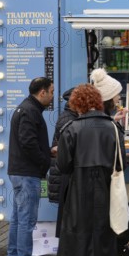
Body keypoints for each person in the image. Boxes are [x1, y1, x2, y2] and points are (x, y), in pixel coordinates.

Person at [56, 83, 126, 256]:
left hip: (77, 193)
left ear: (77, 104)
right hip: (106, 192)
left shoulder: (71, 129)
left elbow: (63, 166)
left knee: (77, 238)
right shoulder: (114, 128)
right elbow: (121, 164)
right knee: (103, 236)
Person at [7, 77, 54, 256]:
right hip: (27, 174)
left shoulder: (26, 108)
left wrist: (46, 151)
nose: (52, 96)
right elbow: (28, 142)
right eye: (51, 92)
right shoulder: (30, 111)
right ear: (42, 92)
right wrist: (44, 161)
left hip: (20, 172)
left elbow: (28, 141)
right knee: (26, 221)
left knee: (18, 220)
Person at [48, 87, 78, 237]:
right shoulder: (69, 119)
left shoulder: (70, 116)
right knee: (68, 216)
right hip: (63, 174)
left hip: (61, 172)